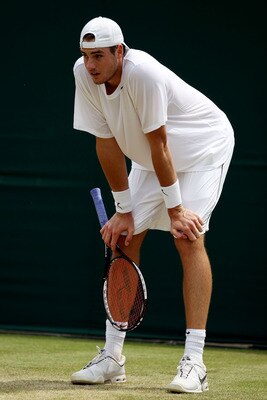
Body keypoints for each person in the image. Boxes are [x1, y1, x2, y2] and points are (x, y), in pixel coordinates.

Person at [71, 16, 235, 393]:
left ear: (119, 51)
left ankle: (195, 362)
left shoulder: (143, 74)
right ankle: (113, 358)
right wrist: (123, 209)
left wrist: (176, 209)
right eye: (85, 55)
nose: (91, 64)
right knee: (123, 240)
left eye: (99, 55)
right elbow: (106, 142)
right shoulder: (84, 74)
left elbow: (160, 142)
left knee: (188, 238)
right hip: (150, 157)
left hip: (202, 150)